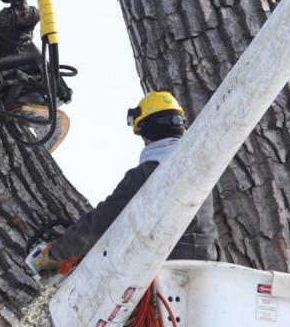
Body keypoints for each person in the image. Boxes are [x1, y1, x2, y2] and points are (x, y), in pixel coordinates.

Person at [27, 91, 217, 280]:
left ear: (145, 133)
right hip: (208, 270)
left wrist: (55, 253)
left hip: (166, 274)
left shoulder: (147, 174)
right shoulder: (199, 170)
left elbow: (100, 223)